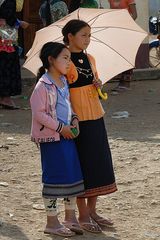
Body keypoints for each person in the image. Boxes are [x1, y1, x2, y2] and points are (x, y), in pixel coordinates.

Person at [62, 20, 117, 233]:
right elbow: (61, 89)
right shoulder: (64, 60)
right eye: (83, 35)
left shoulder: (89, 57)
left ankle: (93, 211)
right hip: (76, 120)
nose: (88, 39)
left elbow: (90, 83)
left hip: (95, 115)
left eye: (89, 35)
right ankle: (82, 215)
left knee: (98, 164)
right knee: (82, 166)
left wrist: (98, 84)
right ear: (70, 36)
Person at [30, 42, 85, 237]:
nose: (69, 62)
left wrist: (75, 119)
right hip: (52, 139)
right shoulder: (42, 85)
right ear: (51, 60)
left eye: (69, 58)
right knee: (54, 178)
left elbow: (68, 106)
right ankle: (52, 222)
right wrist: (62, 128)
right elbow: (39, 114)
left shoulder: (63, 82)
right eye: (65, 58)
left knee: (71, 176)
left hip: (67, 137)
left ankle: (71, 218)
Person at [108, 0, 137, 92]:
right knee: (118, 55)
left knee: (126, 55)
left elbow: (135, 15)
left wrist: (125, 25)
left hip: (126, 30)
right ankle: (121, 82)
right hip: (116, 30)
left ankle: (126, 83)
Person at [0, 0, 21, 109]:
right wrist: (20, 22)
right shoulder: (9, 2)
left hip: (5, 36)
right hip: (6, 37)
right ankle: (5, 97)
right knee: (7, 65)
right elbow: (10, 18)